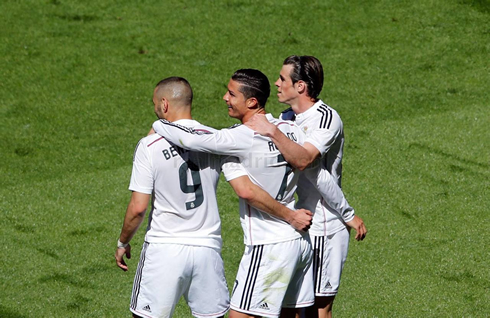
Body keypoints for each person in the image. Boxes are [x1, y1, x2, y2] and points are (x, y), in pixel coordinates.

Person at [152, 69, 356, 318]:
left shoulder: (242, 136)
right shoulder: (290, 130)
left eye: (231, 94)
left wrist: (160, 123)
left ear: (251, 102)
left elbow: (195, 140)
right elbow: (318, 174)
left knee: (240, 316)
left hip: (268, 245)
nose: (225, 98)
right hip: (299, 243)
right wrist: (347, 213)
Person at [115, 77, 312, 318]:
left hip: (164, 248)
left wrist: (123, 242)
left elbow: (138, 208)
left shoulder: (149, 145)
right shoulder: (220, 141)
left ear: (164, 105)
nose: (225, 98)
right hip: (208, 249)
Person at [246, 55, 367, 318]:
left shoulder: (325, 119)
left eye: (282, 79)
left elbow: (306, 164)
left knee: (317, 309)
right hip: (298, 223)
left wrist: (347, 215)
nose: (276, 83)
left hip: (325, 226)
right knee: (288, 307)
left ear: (300, 86)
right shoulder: (287, 117)